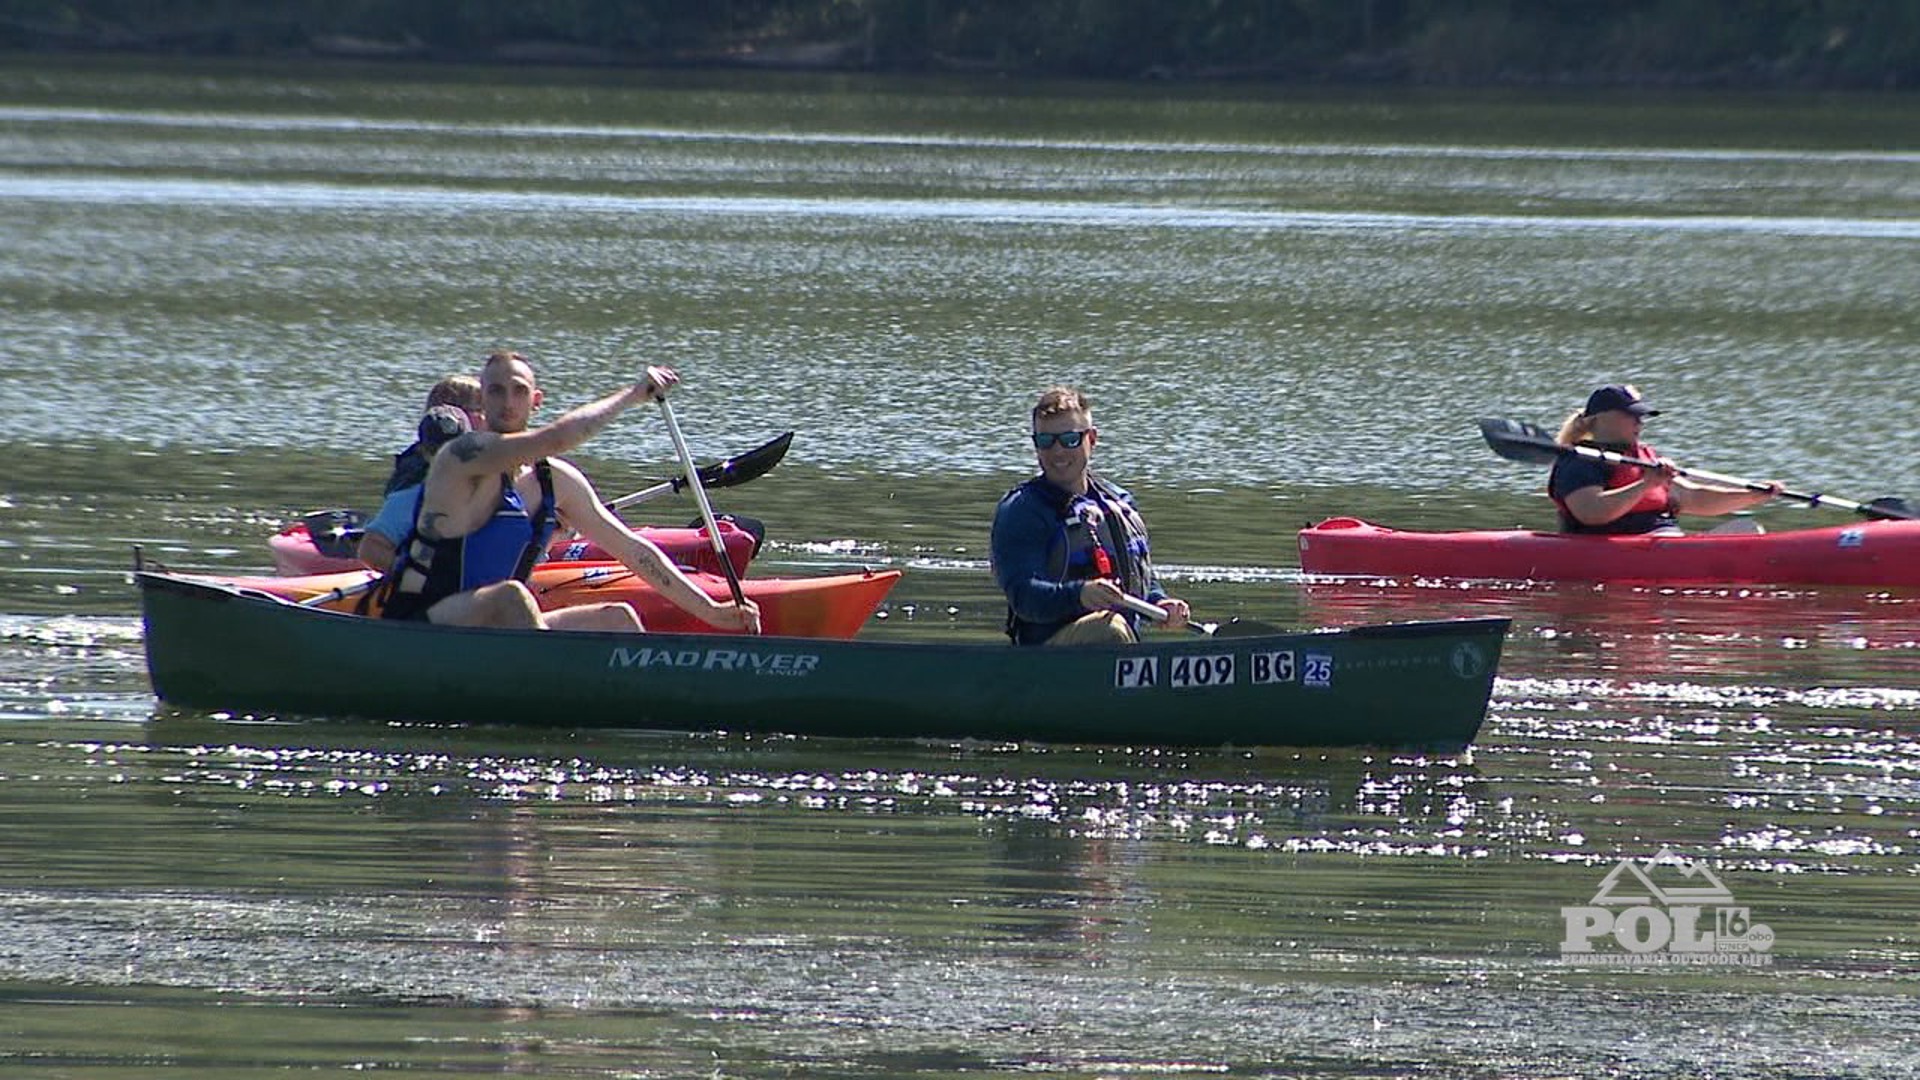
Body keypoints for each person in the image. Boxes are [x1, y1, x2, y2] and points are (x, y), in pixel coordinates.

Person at [378, 349, 761, 633]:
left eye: (518, 391)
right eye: (495, 392)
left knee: (618, 620)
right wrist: (631, 396)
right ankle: (549, 700)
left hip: (499, 631)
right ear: (481, 402)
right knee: (512, 596)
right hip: (424, 624)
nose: (507, 403)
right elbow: (558, 437)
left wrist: (712, 611)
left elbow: (633, 550)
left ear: (535, 400)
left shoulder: (555, 481)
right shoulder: (461, 458)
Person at [990, 386, 1189, 645]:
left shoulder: (1119, 503)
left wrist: (1160, 603)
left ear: (1091, 440)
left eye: (1070, 439)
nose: (1057, 452)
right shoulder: (1022, 510)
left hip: (1118, 648)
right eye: (1046, 441)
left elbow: (1141, 579)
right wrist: (1079, 595)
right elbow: (1024, 597)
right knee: (1110, 628)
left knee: (1114, 628)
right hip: (1046, 654)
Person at [1549, 383, 1781, 535]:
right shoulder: (1579, 460)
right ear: (1600, 418)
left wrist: (1751, 496)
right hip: (1612, 547)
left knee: (1747, 529)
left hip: (1660, 544)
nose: (1639, 422)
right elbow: (1591, 512)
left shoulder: (1645, 457)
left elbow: (1693, 497)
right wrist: (1646, 484)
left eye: (1641, 417)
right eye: (1632, 416)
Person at [357, 404, 469, 573]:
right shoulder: (409, 500)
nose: (447, 460)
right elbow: (370, 549)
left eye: (456, 450)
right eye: (437, 452)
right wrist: (413, 575)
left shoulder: (496, 491)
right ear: (423, 453)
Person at [384, 374, 484, 494]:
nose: (485, 417)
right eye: (479, 410)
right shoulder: (416, 471)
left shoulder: (414, 458)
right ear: (453, 417)